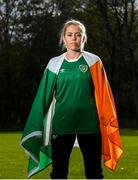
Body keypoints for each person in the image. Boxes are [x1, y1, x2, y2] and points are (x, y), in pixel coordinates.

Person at [21, 19, 123, 179]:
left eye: (78, 35)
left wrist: (108, 119)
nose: (74, 38)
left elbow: (104, 96)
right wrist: (35, 122)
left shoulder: (94, 61)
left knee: (94, 173)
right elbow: (42, 96)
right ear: (63, 38)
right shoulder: (54, 64)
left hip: (90, 125)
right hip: (62, 125)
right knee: (59, 173)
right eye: (70, 35)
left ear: (84, 38)